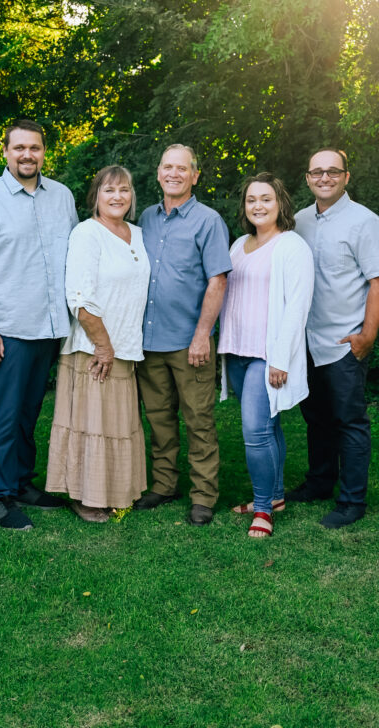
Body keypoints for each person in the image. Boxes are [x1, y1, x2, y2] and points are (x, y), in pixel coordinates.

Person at [0, 119, 77, 531]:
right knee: (4, 417)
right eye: (19, 147)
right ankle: (1, 497)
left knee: (28, 414)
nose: (28, 155)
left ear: (44, 152)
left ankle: (23, 483)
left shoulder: (62, 197)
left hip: (50, 327)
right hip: (7, 328)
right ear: (5, 152)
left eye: (35, 148)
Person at [290, 148, 379, 528]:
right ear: (307, 178)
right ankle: (319, 483)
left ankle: (351, 501)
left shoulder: (365, 222)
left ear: (346, 177)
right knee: (315, 417)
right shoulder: (298, 220)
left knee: (349, 421)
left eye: (333, 171)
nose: (325, 178)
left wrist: (367, 335)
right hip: (307, 341)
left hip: (344, 342)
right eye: (317, 171)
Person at [134, 144, 232, 526]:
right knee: (159, 419)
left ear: (194, 175)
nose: (173, 173)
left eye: (182, 168)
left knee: (199, 420)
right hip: (150, 340)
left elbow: (217, 280)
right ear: (158, 173)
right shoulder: (146, 217)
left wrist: (201, 335)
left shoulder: (208, 221)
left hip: (190, 341)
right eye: (167, 167)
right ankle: (163, 484)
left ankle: (204, 495)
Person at [46, 166, 150, 522]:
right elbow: (80, 298)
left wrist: (118, 346)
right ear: (96, 197)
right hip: (93, 348)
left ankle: (116, 491)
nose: (118, 196)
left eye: (124, 189)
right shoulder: (87, 234)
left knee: (116, 425)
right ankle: (85, 497)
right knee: (90, 426)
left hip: (125, 345)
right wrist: (103, 346)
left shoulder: (136, 234)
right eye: (109, 190)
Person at [218, 174, 314, 539]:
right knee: (270, 425)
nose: (258, 205)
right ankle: (274, 498)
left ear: (280, 205)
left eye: (266, 199)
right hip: (238, 350)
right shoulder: (239, 244)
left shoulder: (292, 246)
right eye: (251, 200)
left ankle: (262, 510)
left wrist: (280, 358)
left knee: (255, 432)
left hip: (266, 354)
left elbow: (297, 308)